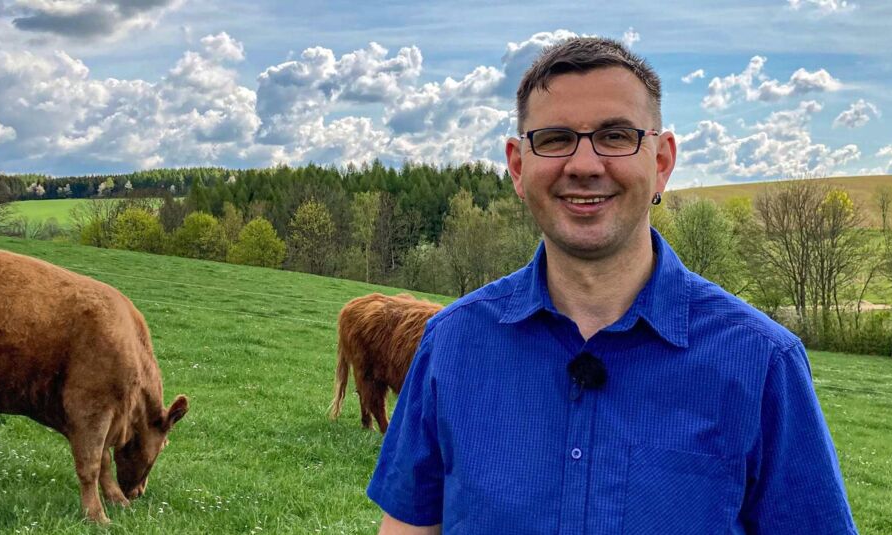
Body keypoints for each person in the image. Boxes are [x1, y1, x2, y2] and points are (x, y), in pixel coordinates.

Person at [367, 36, 857, 534]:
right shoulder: (452, 344)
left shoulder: (761, 363)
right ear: (517, 166)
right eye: (554, 139)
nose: (583, 165)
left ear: (661, 162)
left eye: (616, 136)